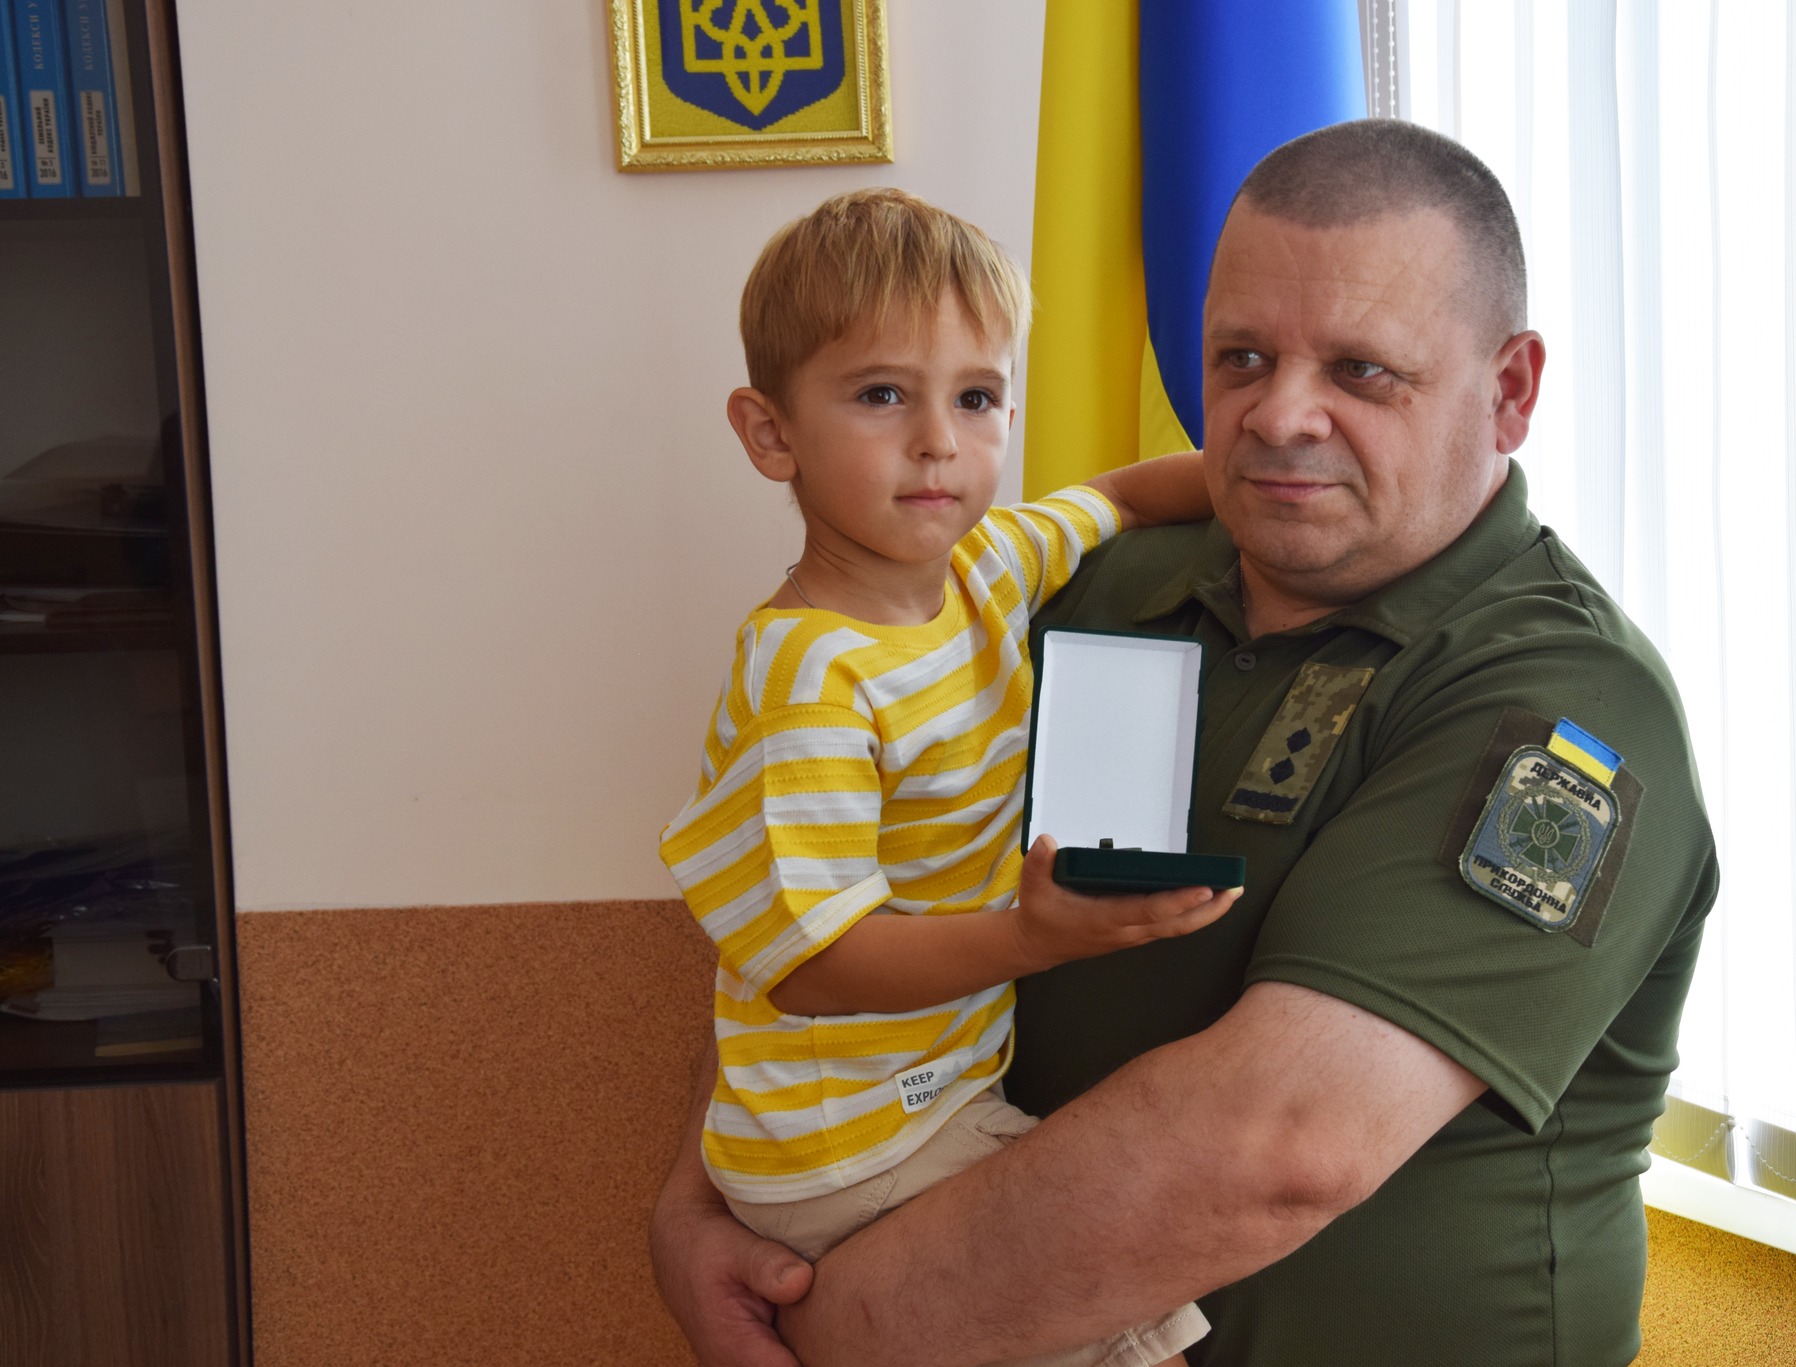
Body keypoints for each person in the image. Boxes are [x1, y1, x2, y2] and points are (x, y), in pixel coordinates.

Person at [652, 122, 1719, 1367]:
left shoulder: (1560, 704)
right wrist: (702, 1200)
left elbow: (1280, 1146)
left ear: (1511, 391)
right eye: (1241, 357)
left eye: (1361, 370)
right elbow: (827, 897)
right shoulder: (1070, 589)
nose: (1280, 414)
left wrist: (823, 1332)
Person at [659, 186, 1237, 1367]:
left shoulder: (987, 564)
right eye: (882, 394)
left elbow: (1124, 494)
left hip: (934, 1093)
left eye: (975, 398)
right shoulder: (810, 673)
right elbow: (813, 964)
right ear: (771, 434)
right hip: (844, 1142)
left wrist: (1260, 490)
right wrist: (1031, 937)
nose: (938, 441)